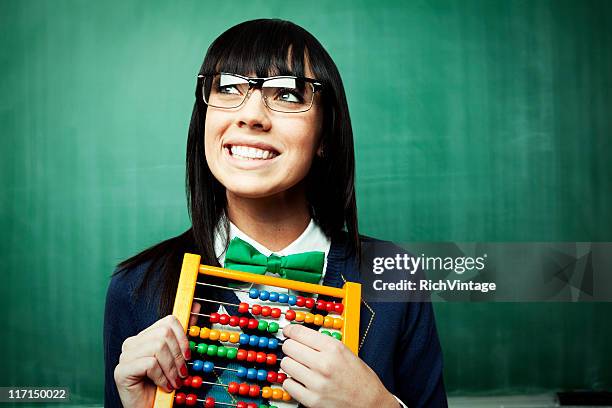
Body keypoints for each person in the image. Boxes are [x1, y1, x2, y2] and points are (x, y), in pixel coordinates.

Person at [104, 18, 447, 408]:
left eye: (287, 94)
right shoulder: (136, 288)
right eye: (228, 87)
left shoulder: (395, 274)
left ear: (324, 136)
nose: (251, 116)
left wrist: (378, 406)